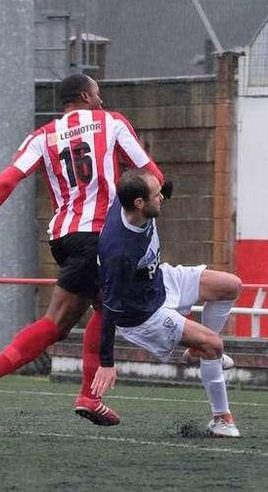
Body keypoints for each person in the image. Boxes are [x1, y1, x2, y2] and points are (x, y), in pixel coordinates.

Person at [0, 73, 166, 426]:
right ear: (85, 96)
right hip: (101, 236)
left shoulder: (42, 136)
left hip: (64, 237)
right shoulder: (110, 122)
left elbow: (8, 179)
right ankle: (80, 393)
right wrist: (161, 193)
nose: (101, 100)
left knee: (88, 312)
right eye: (97, 94)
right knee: (70, 319)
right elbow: (149, 171)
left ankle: (86, 396)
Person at [91, 170, 242, 438]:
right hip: (142, 314)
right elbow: (110, 308)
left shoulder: (128, 200)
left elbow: (149, 184)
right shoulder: (120, 251)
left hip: (160, 280)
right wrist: (106, 362)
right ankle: (221, 419)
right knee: (214, 345)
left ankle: (198, 352)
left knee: (231, 285)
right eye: (156, 194)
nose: (162, 196)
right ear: (139, 203)